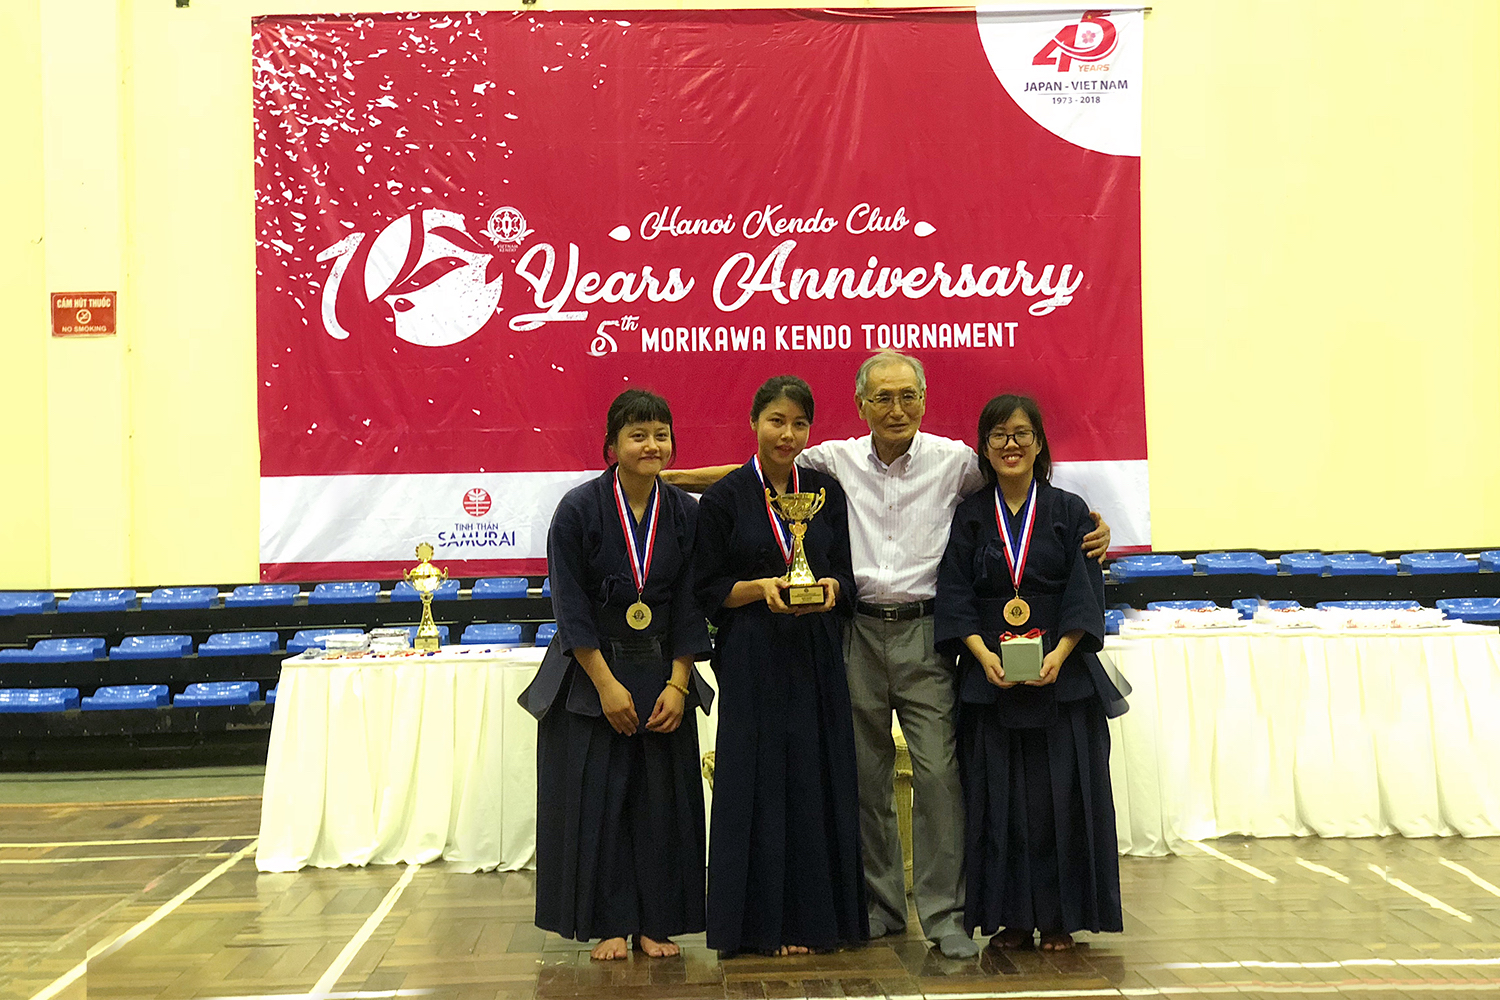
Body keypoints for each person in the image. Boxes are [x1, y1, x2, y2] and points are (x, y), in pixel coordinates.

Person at [667, 352, 1109, 959]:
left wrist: (1090, 522)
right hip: (854, 633)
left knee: (939, 776)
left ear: (924, 400)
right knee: (864, 778)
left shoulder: (956, 462)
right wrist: (667, 479)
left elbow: (1020, 487)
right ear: (861, 405)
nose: (896, 409)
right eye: (882, 397)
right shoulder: (834, 460)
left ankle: (944, 913)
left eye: (907, 396)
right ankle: (880, 907)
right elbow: (762, 468)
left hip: (927, 634)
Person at [523, 389, 713, 961]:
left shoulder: (686, 513)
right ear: (611, 445)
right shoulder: (578, 509)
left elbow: (691, 603)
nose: (651, 445)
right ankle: (608, 922)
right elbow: (570, 604)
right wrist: (605, 685)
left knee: (661, 805)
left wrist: (679, 683)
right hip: (591, 673)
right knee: (599, 804)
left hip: (663, 671)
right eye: (638, 435)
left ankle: (657, 922)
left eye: (661, 435)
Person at [935, 394, 1126, 953]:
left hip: (1062, 680)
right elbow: (954, 592)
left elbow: (1084, 593)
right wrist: (981, 654)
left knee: (1060, 801)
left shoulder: (1071, 511)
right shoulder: (971, 514)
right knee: (999, 804)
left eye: (1021, 433)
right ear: (984, 446)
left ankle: (1061, 917)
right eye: (998, 435)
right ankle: (1012, 918)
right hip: (990, 679)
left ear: (1039, 443)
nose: (1010, 444)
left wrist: (1060, 654)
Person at [693, 375, 867, 956]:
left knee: (816, 777)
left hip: (816, 653)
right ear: (754, 423)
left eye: (798, 424)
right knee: (757, 780)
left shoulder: (824, 492)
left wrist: (829, 589)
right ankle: (757, 925)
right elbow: (707, 588)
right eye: (776, 421)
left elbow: (846, 575)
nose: (787, 434)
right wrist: (759, 588)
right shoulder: (724, 498)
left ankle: (816, 920)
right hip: (751, 653)